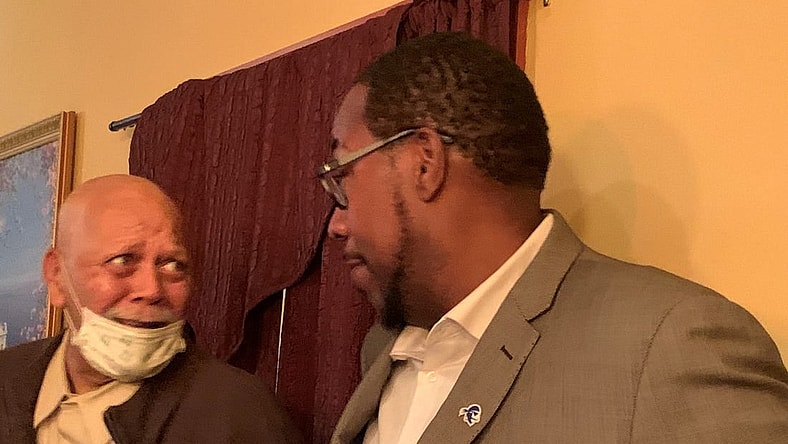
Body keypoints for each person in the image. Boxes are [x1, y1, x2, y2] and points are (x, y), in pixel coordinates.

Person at [321, 32, 788, 443]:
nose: (335, 225)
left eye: (342, 178)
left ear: (424, 163)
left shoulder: (671, 346)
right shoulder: (384, 349)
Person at [0, 175, 301, 443]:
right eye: (123, 261)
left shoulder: (239, 415)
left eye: (173, 266)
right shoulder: (7, 381)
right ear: (57, 276)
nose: (152, 290)